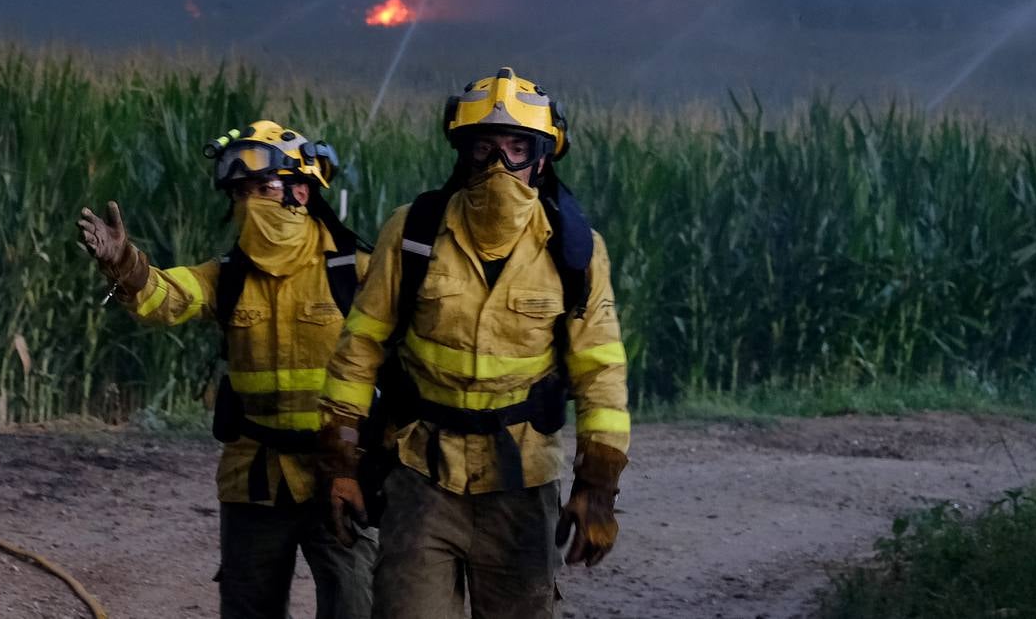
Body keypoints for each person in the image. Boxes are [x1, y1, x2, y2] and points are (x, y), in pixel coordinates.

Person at [316, 68, 629, 619]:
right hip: (420, 477)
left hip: (522, 485)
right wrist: (342, 466)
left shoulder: (576, 251)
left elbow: (601, 374)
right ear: (462, 151)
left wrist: (597, 487)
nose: (499, 165)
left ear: (543, 157)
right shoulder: (412, 233)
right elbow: (358, 351)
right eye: (484, 147)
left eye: (516, 148)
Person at [77, 120, 377, 619]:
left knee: (355, 604)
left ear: (301, 191)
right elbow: (169, 295)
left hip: (341, 474)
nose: (249, 202)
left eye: (263, 188)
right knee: (248, 607)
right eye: (239, 192)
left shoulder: (356, 271)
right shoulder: (230, 275)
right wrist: (125, 264)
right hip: (255, 477)